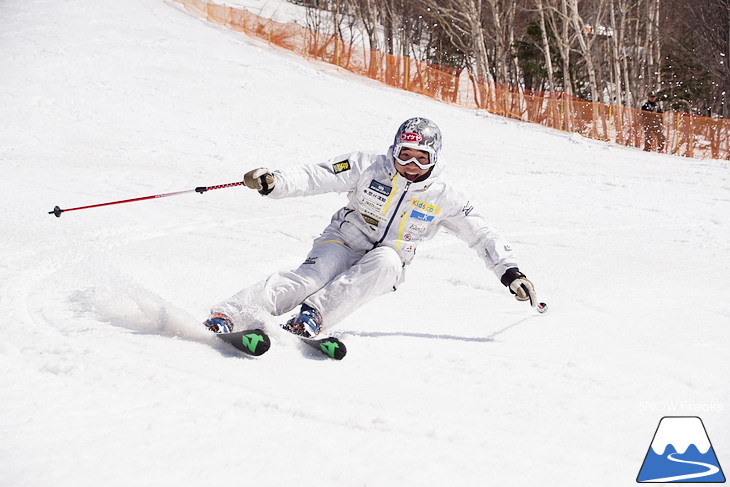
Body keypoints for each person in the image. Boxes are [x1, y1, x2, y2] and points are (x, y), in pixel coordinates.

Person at [203, 117, 540, 338]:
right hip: (344, 239)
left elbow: (481, 234)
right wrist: (274, 182)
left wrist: (510, 272)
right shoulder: (368, 166)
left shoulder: (444, 196)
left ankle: (312, 317)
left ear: (434, 159)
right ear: (393, 151)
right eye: (405, 155)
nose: (411, 165)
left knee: (388, 262)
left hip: (388, 256)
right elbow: (316, 175)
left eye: (422, 158)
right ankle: (231, 313)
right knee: (311, 278)